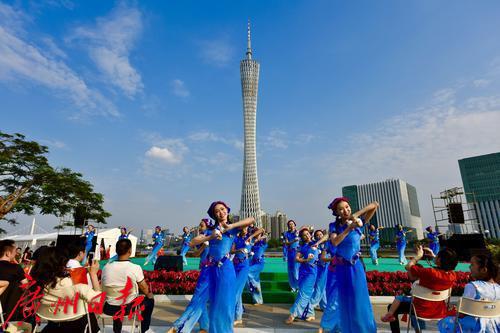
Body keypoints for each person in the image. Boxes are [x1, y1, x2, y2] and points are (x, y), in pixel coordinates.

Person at [189, 201, 255, 333]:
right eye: (217, 211)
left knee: (225, 303)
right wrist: (210, 236)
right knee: (214, 304)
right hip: (212, 270)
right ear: (214, 215)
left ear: (227, 211)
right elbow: (192, 242)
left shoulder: (234, 229)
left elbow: (251, 220)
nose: (221, 212)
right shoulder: (210, 230)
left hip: (226, 269)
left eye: (223, 209)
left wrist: (230, 226)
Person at [323, 197, 379, 332]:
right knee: (345, 300)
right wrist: (349, 228)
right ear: (336, 212)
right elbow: (335, 242)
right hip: (342, 268)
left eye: (347, 207)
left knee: (360, 300)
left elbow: (375, 205)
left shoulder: (359, 222)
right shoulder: (334, 226)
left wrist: (357, 215)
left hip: (356, 267)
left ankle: (364, 329)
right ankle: (347, 329)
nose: (345, 210)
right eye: (341, 209)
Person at [384, 245, 458, 332]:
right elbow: (445, 266)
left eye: (438, 255)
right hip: (439, 311)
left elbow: (408, 267)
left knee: (392, 307)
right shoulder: (452, 275)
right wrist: (433, 256)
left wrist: (418, 256)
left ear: (439, 260)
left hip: (420, 310)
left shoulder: (430, 272)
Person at [30, 246, 101, 332]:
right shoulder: (75, 285)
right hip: (79, 327)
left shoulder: (38, 286)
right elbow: (98, 302)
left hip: (53, 326)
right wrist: (93, 275)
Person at [102, 238, 155, 333]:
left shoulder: (106, 267)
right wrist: (149, 295)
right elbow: (144, 287)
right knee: (150, 300)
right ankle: (144, 330)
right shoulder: (134, 268)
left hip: (109, 308)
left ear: (117, 251)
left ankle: (117, 330)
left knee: (117, 299)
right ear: (130, 251)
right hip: (128, 308)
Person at [168, 219, 210, 333]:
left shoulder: (214, 235)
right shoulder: (202, 238)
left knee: (197, 299)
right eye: (200, 226)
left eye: (202, 226)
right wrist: (203, 247)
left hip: (212, 272)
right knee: (200, 300)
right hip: (203, 269)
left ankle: (178, 326)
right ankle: (204, 327)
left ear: (208, 225)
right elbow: (196, 254)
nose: (200, 228)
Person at [438, 254, 500, 333]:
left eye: (472, 264)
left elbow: (462, 312)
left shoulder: (473, 286)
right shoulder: (498, 288)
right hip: (494, 327)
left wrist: (453, 311)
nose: (469, 267)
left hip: (474, 327)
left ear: (484, 270)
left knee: (445, 321)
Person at [286, 227, 319, 324]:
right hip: (303, 271)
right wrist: (305, 260)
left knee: (303, 293)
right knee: (305, 292)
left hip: (312, 272)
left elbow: (326, 236)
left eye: (308, 234)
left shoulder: (316, 243)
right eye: (304, 235)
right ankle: (310, 313)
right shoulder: (302, 247)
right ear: (302, 237)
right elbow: (296, 259)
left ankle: (293, 314)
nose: (307, 236)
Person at [232, 225, 264, 325]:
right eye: (242, 229)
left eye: (245, 229)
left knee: (236, 291)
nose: (244, 230)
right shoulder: (236, 239)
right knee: (237, 291)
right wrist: (238, 250)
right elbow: (231, 250)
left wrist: (251, 236)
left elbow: (262, 230)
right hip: (235, 265)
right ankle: (238, 316)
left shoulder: (250, 238)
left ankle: (234, 315)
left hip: (244, 266)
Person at [0, 240, 34, 332]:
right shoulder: (15, 268)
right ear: (8, 253)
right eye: (15, 251)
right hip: (8, 311)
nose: (16, 254)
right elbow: (26, 286)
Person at [247, 231, 268, 306]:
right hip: (252, 262)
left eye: (258, 233)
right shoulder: (252, 242)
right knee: (254, 280)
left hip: (259, 263)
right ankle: (258, 300)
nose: (256, 235)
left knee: (248, 272)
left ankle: (255, 287)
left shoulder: (263, 243)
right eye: (255, 233)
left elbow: (264, 235)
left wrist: (260, 238)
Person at [310, 229, 328, 311]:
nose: (319, 236)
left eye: (320, 234)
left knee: (321, 286)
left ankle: (318, 304)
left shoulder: (327, 243)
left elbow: (327, 235)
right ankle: (320, 305)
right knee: (319, 286)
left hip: (326, 267)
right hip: (318, 268)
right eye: (317, 235)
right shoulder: (314, 245)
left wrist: (319, 242)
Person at [283, 220, 300, 291]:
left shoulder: (298, 233)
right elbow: (286, 244)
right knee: (290, 270)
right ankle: (292, 286)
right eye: (289, 224)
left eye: (292, 224)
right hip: (290, 253)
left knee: (296, 270)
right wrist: (285, 255)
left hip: (298, 252)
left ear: (295, 225)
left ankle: (298, 286)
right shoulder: (286, 233)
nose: (291, 225)